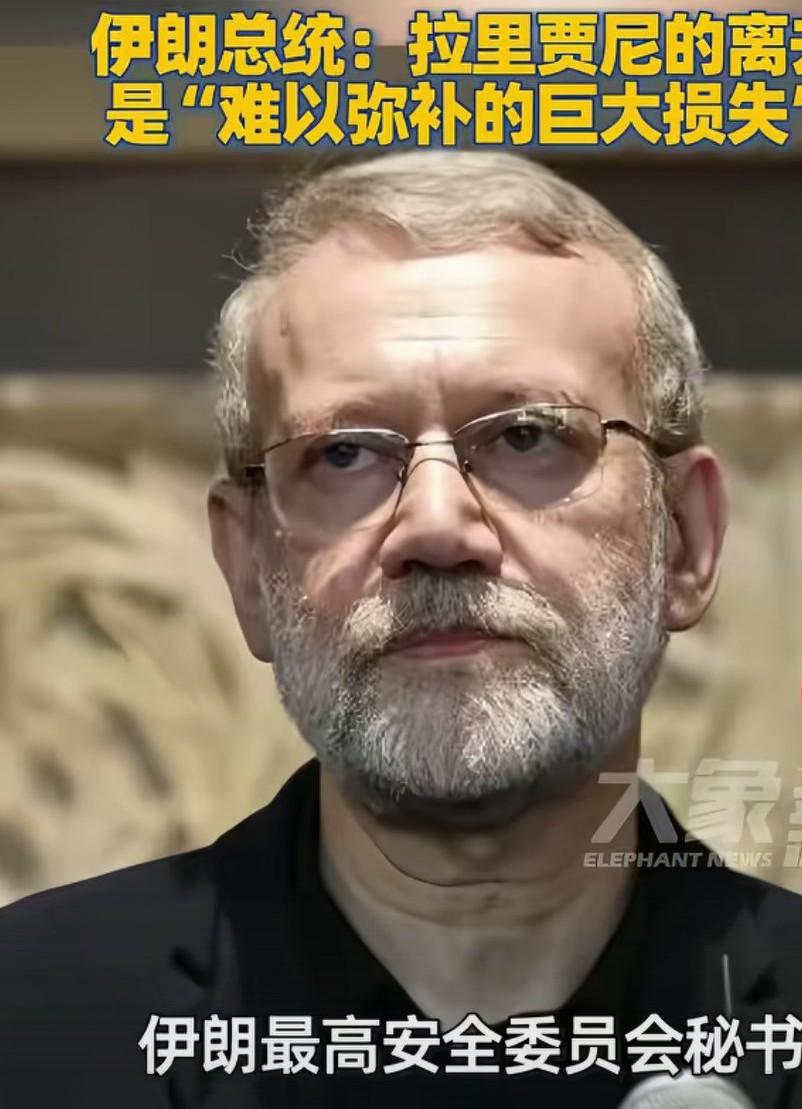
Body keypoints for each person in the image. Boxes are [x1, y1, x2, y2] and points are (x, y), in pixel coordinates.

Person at [1, 149, 800, 1109]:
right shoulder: (32, 1027)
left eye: (528, 435)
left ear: (686, 538)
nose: (435, 527)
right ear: (248, 564)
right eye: (344, 452)